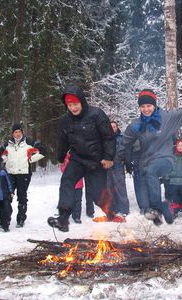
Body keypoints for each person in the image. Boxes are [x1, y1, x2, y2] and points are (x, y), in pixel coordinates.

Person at [117, 89, 182, 225]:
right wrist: (115, 159)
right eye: (143, 107)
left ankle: (159, 208)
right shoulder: (136, 124)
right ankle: (161, 212)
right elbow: (125, 143)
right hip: (147, 161)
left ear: (154, 105)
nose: (146, 109)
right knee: (146, 193)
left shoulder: (167, 118)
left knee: (152, 170)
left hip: (166, 159)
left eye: (149, 106)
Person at [47, 84, 116, 232]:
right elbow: (63, 141)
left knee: (97, 195)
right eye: (70, 105)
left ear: (82, 102)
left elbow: (109, 137)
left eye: (75, 104)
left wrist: (108, 157)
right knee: (67, 181)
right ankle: (63, 218)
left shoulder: (96, 114)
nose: (73, 108)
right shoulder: (66, 121)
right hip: (77, 158)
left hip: (96, 161)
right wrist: (60, 157)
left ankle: (110, 212)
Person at [0, 123, 46, 228]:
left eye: (19, 131)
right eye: (15, 132)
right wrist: (6, 160)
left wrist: (31, 159)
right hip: (10, 173)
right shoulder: (8, 144)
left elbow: (43, 151)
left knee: (22, 197)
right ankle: (4, 219)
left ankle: (21, 219)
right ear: (12, 133)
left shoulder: (28, 142)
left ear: (22, 132)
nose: (18, 134)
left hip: (24, 174)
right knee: (7, 197)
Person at [164, 139, 182, 219]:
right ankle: (174, 212)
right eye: (179, 146)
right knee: (174, 198)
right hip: (173, 182)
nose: (180, 147)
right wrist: (166, 180)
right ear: (176, 147)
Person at [106, 121, 129, 220]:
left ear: (117, 127)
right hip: (108, 166)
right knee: (110, 188)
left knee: (120, 188)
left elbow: (124, 150)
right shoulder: (105, 138)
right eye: (111, 127)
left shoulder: (121, 138)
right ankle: (113, 208)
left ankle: (124, 209)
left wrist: (125, 161)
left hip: (118, 165)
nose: (112, 129)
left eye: (114, 127)